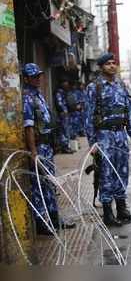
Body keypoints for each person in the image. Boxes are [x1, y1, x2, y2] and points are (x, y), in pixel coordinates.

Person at [85, 53, 131, 227]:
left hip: (120, 135)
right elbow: (87, 116)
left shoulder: (121, 86)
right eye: (107, 64)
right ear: (101, 67)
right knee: (106, 174)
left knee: (122, 171)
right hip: (104, 136)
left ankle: (122, 208)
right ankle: (108, 213)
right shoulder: (95, 88)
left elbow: (128, 112)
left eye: (113, 63)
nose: (112, 66)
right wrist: (92, 142)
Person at [22, 63, 76, 235]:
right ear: (26, 79)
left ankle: (54, 218)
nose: (37, 78)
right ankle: (41, 223)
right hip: (38, 147)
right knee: (39, 186)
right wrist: (33, 151)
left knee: (50, 183)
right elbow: (28, 127)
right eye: (33, 76)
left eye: (38, 75)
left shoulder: (38, 95)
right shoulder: (27, 98)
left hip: (47, 146)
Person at [54, 79, 73, 154]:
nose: (67, 84)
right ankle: (64, 147)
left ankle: (67, 146)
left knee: (67, 131)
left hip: (65, 114)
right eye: (65, 82)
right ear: (62, 83)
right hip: (62, 115)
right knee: (63, 131)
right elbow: (59, 104)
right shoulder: (58, 92)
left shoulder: (64, 92)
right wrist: (62, 111)